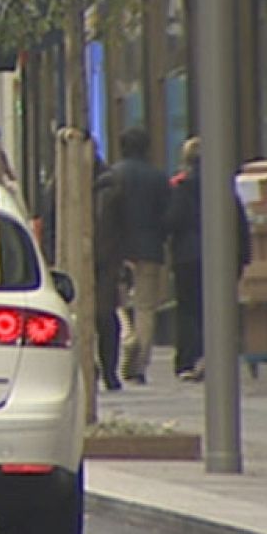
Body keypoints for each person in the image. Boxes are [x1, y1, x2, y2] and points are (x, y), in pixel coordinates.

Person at [165, 137, 252, 381]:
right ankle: (217, 358)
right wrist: (244, 256)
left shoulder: (182, 187)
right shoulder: (224, 186)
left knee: (189, 311)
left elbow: (173, 220)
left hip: (188, 257)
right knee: (219, 308)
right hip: (223, 255)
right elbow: (239, 222)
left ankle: (189, 360)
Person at [112, 127, 172, 385]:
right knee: (146, 307)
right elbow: (169, 214)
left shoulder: (113, 176)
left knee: (118, 302)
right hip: (150, 250)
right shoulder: (158, 178)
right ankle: (138, 366)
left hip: (118, 250)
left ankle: (128, 337)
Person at [91, 155, 124, 390]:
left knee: (105, 317)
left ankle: (108, 370)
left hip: (106, 261)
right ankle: (96, 368)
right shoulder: (61, 184)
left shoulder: (112, 188)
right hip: (97, 259)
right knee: (103, 318)